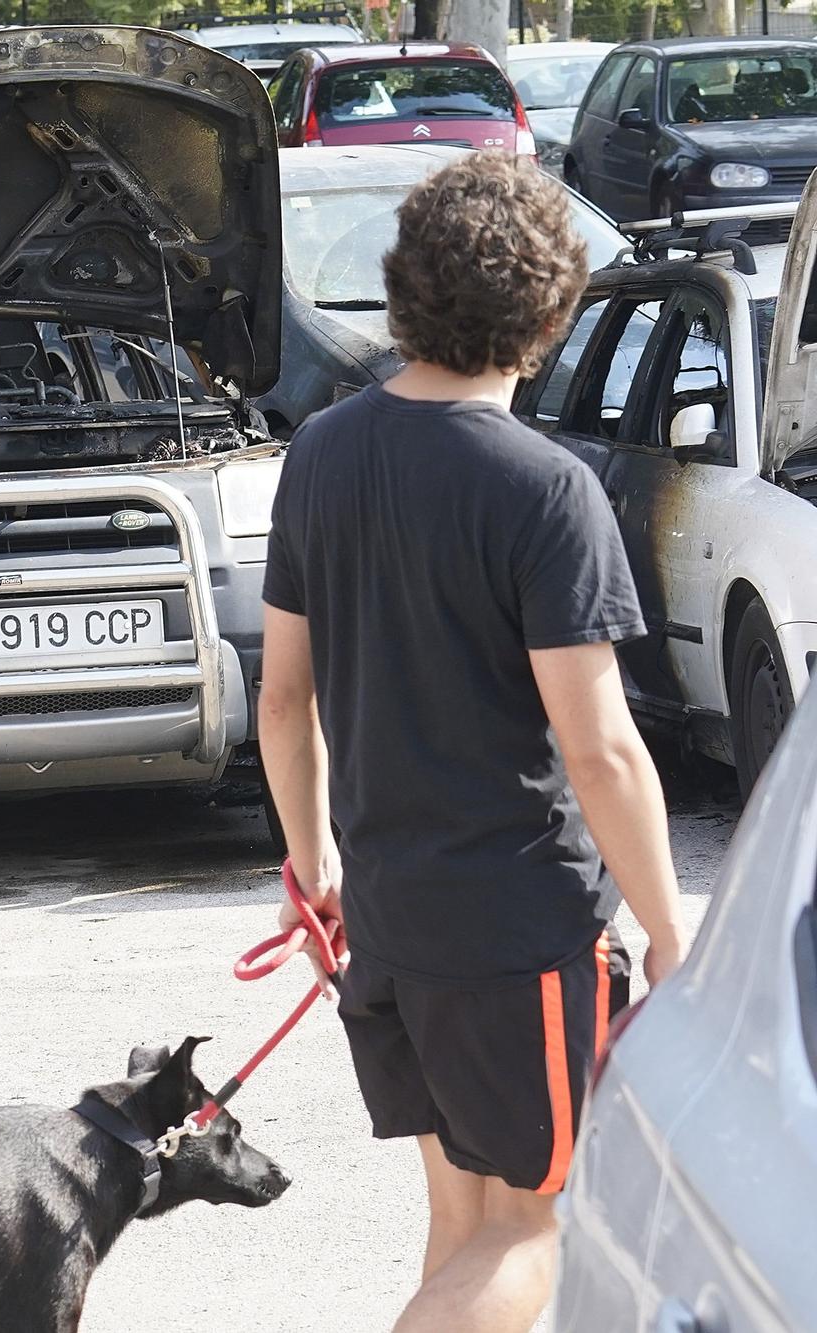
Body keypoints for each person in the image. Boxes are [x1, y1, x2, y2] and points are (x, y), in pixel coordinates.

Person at [257, 152, 688, 1333]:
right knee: (533, 1230)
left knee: (461, 1228)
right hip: (517, 932)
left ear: (402, 291)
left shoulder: (319, 455)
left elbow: (282, 702)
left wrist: (313, 875)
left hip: (391, 923)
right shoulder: (545, 490)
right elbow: (597, 749)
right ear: (551, 314)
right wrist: (664, 930)